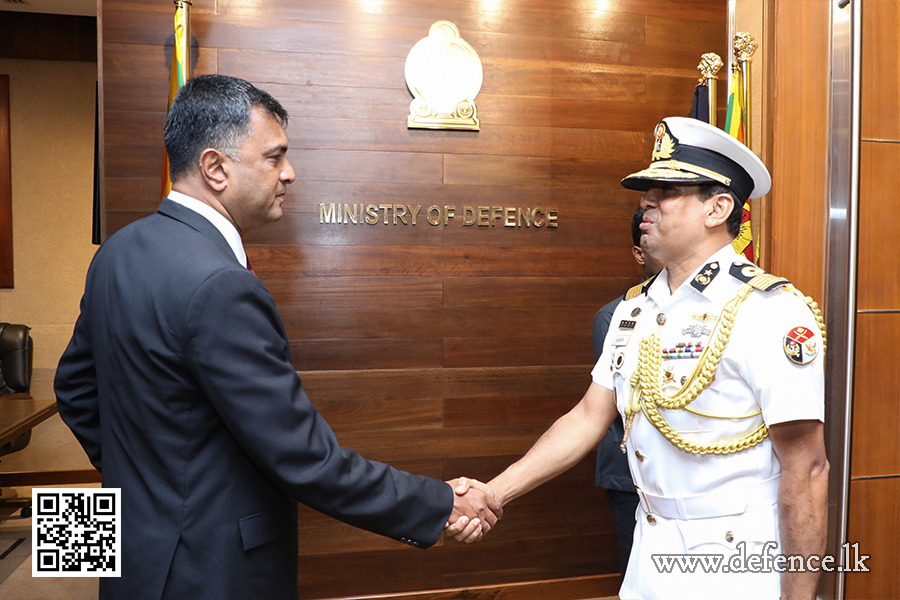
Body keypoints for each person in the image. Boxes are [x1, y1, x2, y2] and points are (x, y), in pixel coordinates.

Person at [54, 74, 498, 600]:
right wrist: (440, 503)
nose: (290, 173)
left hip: (131, 553)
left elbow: (75, 390)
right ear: (215, 168)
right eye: (274, 157)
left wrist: (147, 480)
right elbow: (304, 458)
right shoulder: (221, 285)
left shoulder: (117, 251)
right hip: (208, 569)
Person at [461, 117, 828, 599]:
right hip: (650, 544)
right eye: (645, 192)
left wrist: (799, 597)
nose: (646, 203)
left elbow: (807, 465)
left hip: (736, 554)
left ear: (717, 208)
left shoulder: (770, 309)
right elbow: (589, 417)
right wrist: (494, 491)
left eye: (667, 191)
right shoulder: (634, 309)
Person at [592, 206, 663, 579]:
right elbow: (608, 406)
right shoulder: (618, 315)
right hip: (630, 475)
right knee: (638, 575)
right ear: (640, 252)